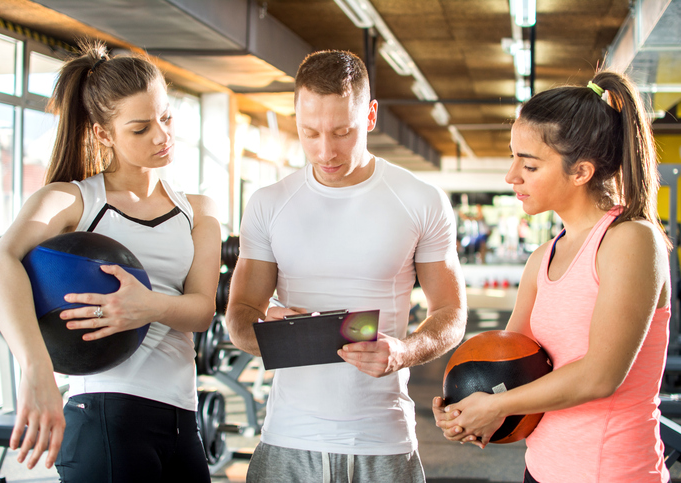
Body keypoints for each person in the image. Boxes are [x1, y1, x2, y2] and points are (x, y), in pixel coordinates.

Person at [0, 41, 220, 482]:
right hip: (106, 411)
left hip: (184, 418)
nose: (162, 136)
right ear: (104, 134)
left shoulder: (198, 212)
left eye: (166, 117)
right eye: (141, 128)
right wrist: (37, 372)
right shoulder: (72, 200)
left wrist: (149, 306)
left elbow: (202, 310)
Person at [225, 50, 467, 483]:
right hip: (288, 440)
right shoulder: (268, 204)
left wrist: (403, 352)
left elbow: (451, 312)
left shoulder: (420, 201)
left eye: (342, 132)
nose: (326, 151)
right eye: (310, 132)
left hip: (383, 441)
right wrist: (271, 327)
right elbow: (240, 317)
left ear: (370, 116)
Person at [433, 71, 672, 482]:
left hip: (611, 473)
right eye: (513, 158)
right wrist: (468, 412)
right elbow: (507, 365)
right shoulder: (543, 258)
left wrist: (493, 407)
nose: (511, 176)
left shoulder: (631, 240)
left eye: (529, 164)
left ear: (580, 172)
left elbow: (600, 375)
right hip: (540, 470)